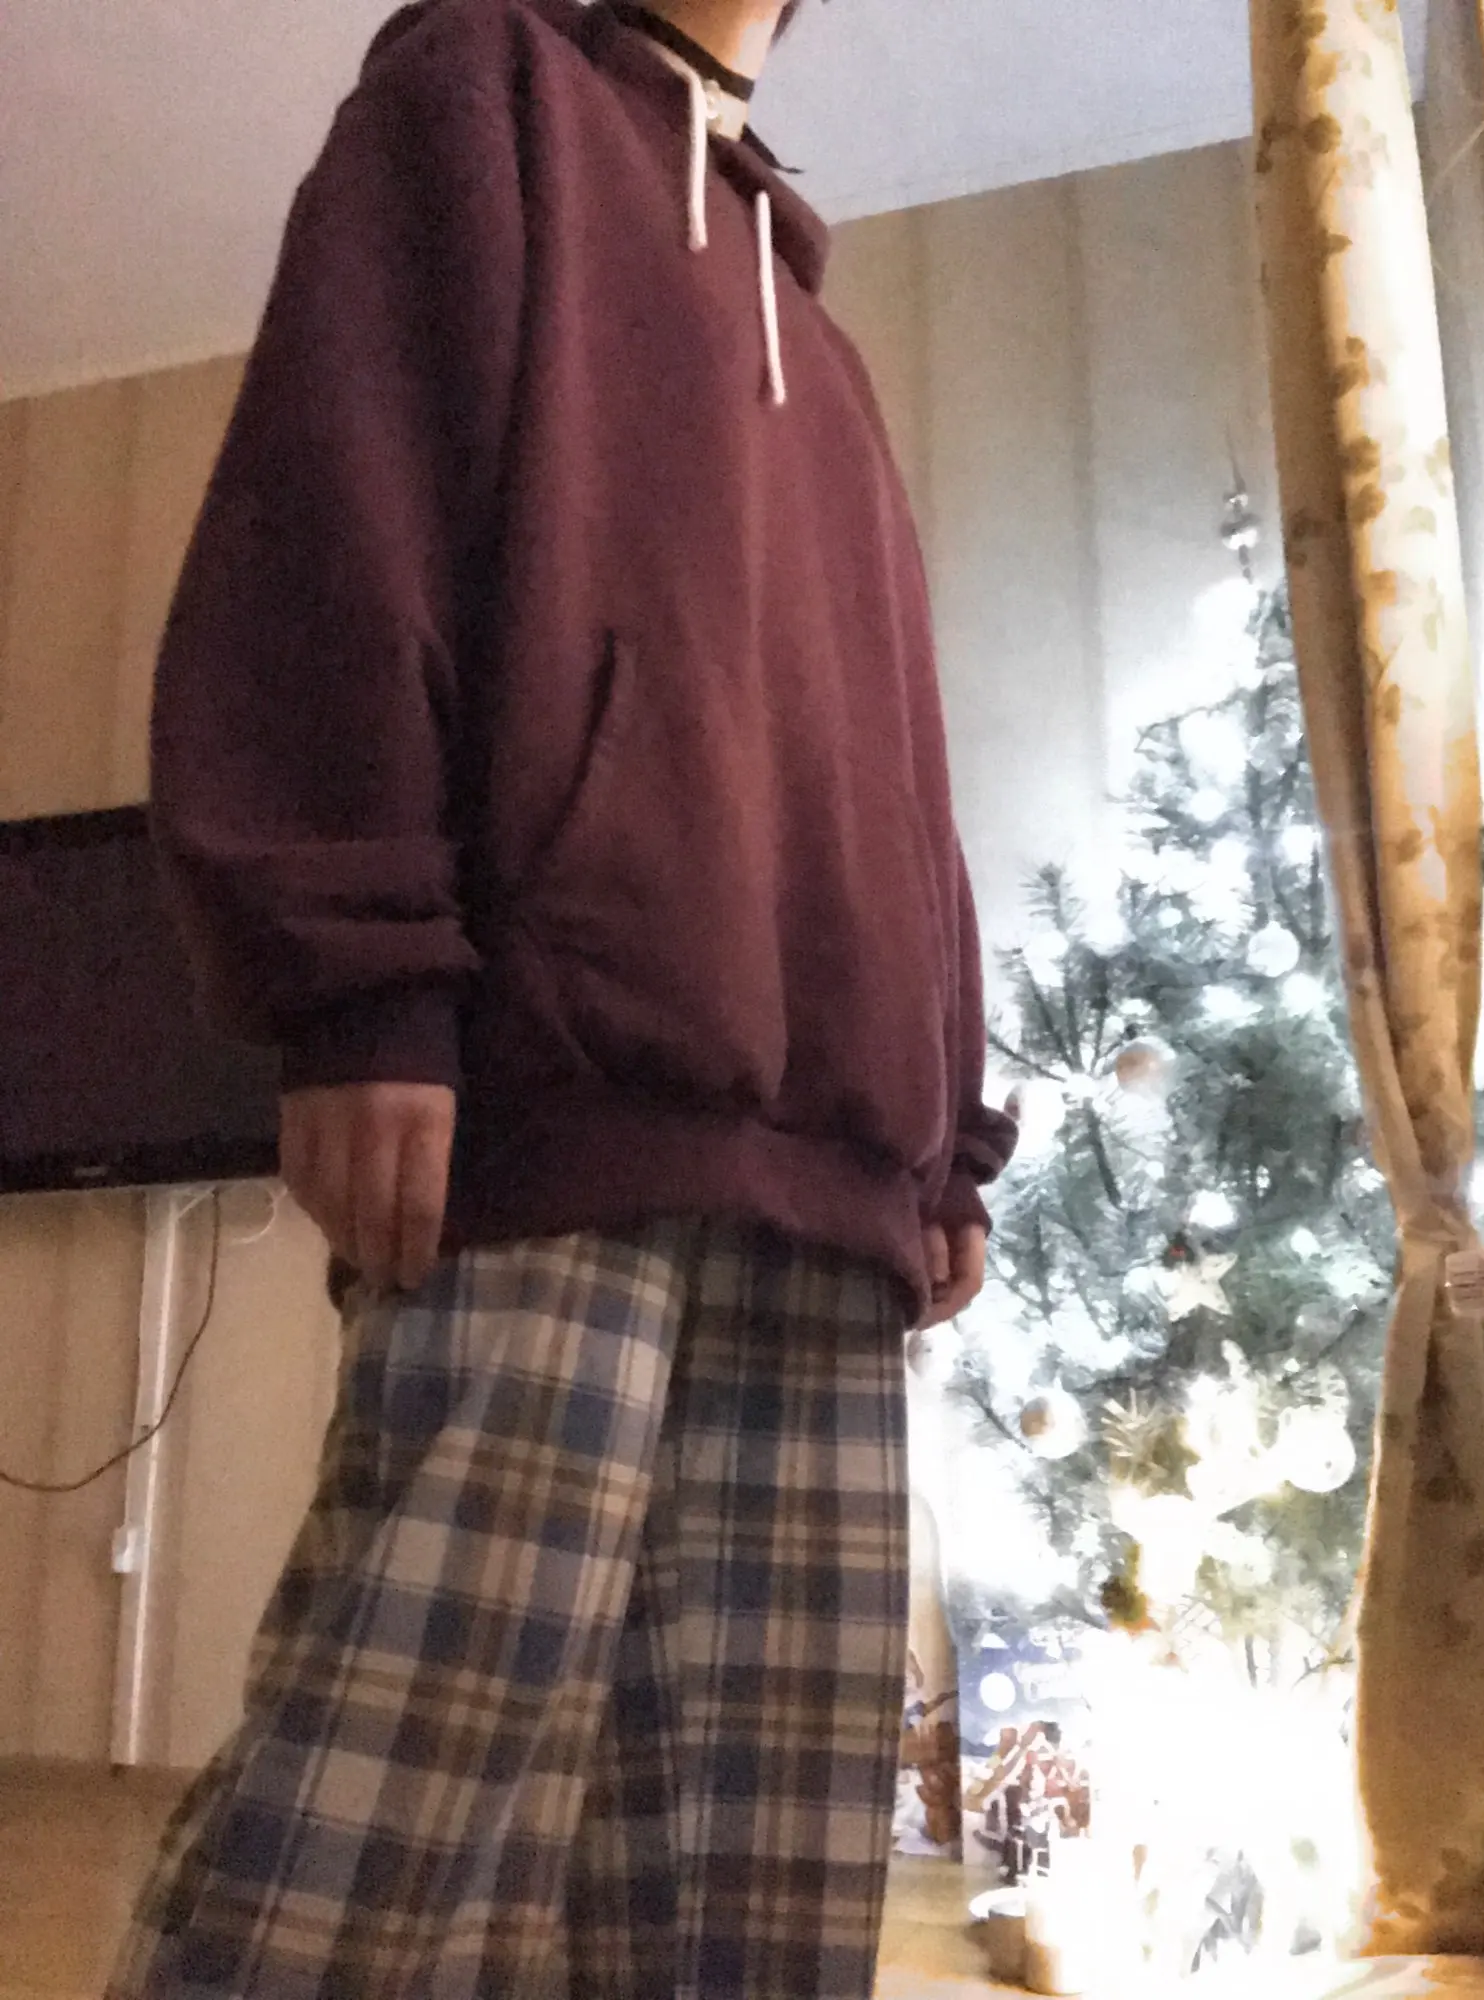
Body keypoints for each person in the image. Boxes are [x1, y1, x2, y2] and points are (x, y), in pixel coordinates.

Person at [110, 0, 1014, 1994]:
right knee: (382, 1817)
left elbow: (898, 774)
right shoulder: (477, 89)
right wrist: (360, 989)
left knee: (749, 1871)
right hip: (552, 1118)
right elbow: (335, 526)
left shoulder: (829, 362)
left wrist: (942, 1143)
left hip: (832, 1181)